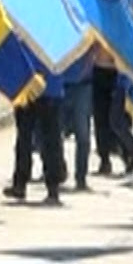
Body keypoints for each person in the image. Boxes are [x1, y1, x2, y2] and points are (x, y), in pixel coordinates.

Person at [4, 54, 67, 206]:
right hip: (34, 86)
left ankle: (40, 185)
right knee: (32, 140)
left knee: (39, 140)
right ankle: (29, 184)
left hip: (39, 86)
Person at [60, 45, 97, 192]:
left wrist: (87, 67)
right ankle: (58, 170)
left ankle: (81, 177)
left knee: (83, 134)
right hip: (60, 83)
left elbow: (96, 44)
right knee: (54, 133)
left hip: (83, 85)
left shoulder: (86, 30)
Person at [91, 47, 121, 177]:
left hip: (117, 72)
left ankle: (126, 153)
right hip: (99, 70)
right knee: (100, 118)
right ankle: (104, 159)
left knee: (118, 119)